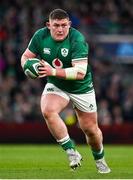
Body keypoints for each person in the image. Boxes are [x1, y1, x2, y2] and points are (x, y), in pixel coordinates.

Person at [21, 8, 111, 173]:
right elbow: (26, 56)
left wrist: (52, 72)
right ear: (49, 25)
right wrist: (27, 67)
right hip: (58, 85)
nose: (60, 29)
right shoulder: (40, 36)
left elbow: (80, 72)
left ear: (69, 24)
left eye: (64, 25)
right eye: (56, 25)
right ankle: (71, 151)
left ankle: (100, 159)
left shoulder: (77, 39)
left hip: (81, 87)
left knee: (90, 130)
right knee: (48, 110)